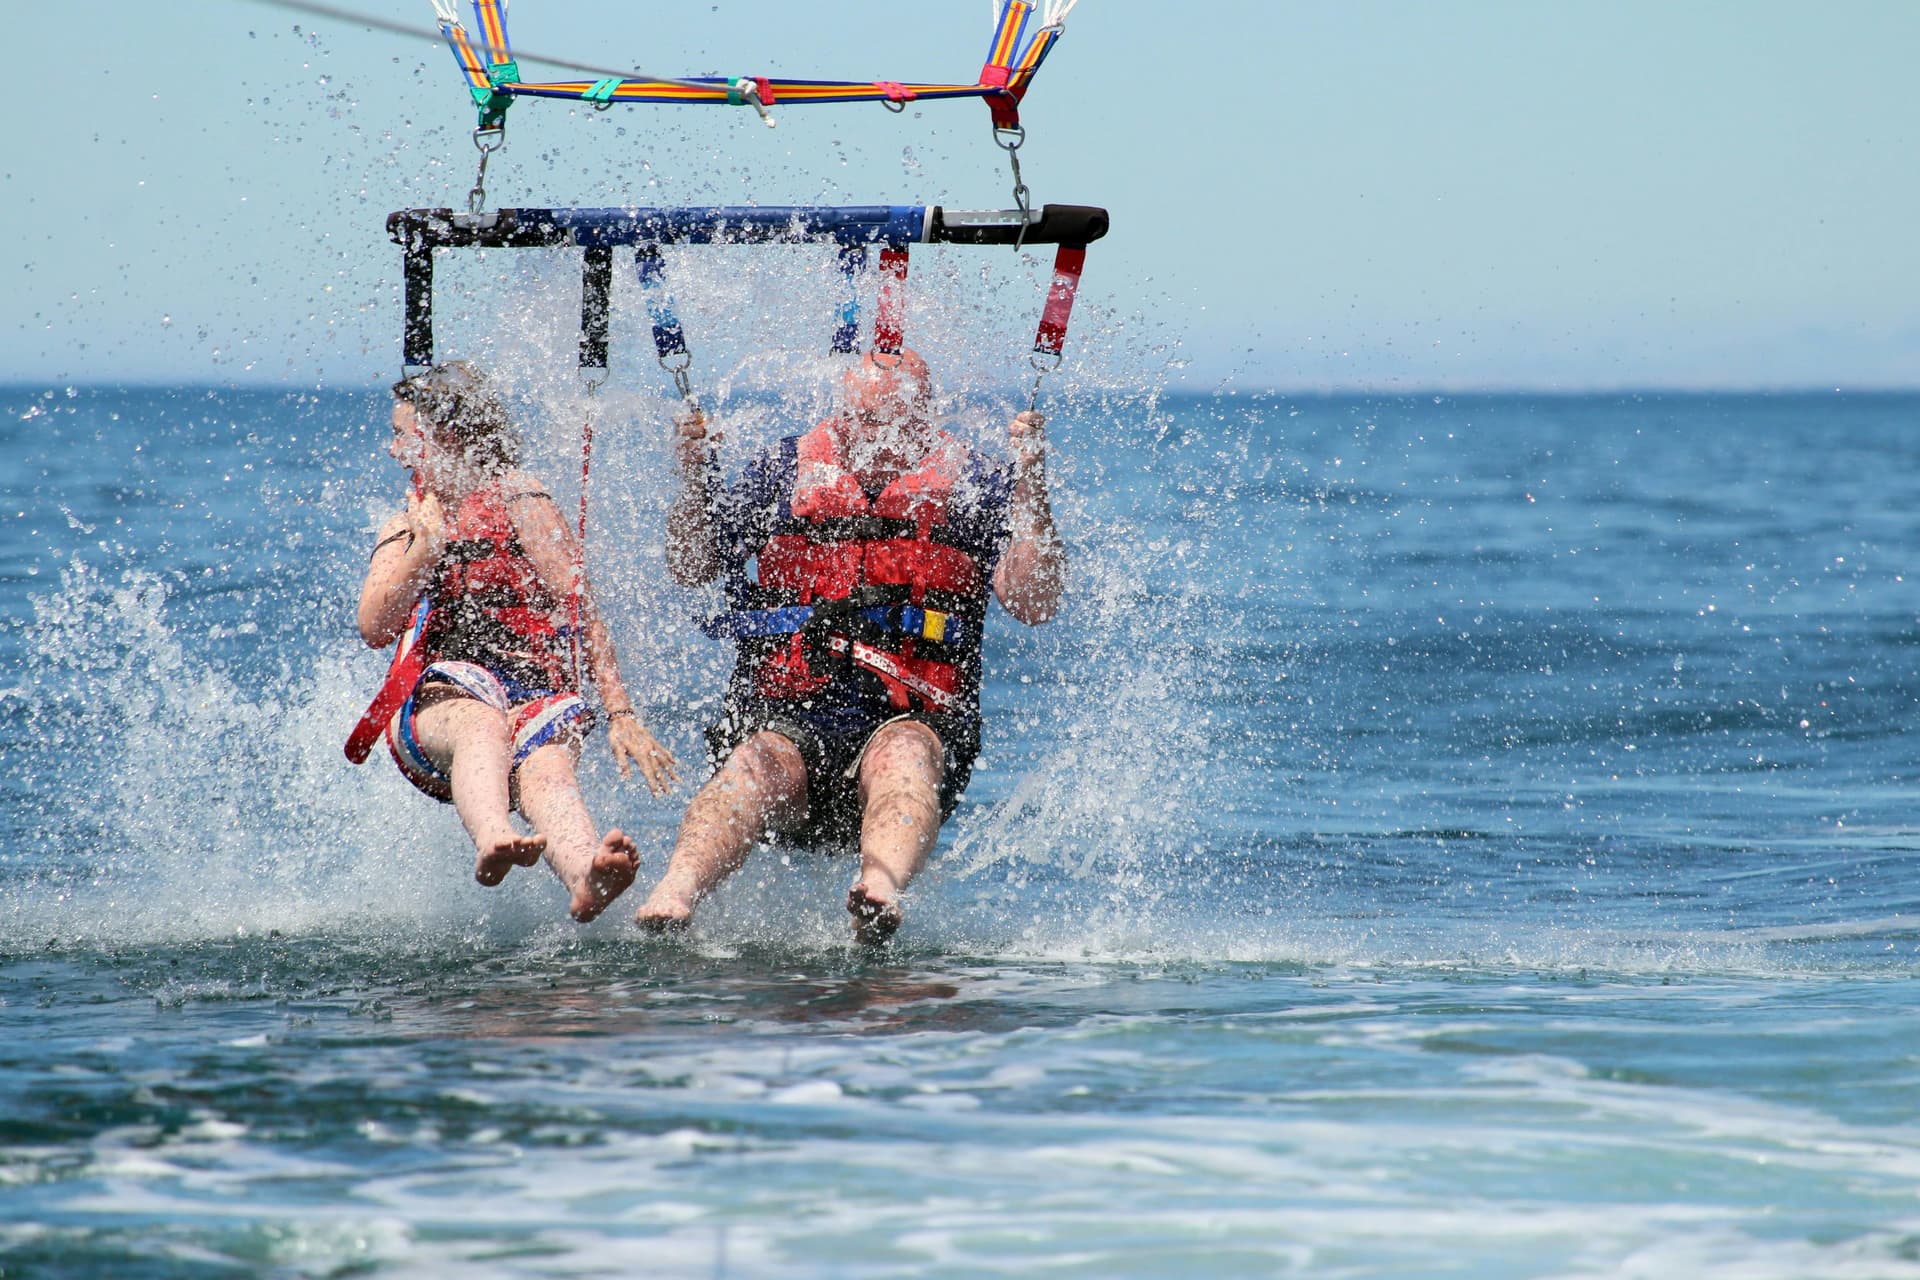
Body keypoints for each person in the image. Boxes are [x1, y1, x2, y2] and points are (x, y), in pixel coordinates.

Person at [634, 348, 1064, 943]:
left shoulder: (973, 483)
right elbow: (691, 564)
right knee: (753, 766)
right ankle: (675, 893)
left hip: (916, 715)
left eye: (892, 422)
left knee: (904, 755)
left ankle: (879, 892)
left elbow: (1035, 603)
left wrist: (1031, 486)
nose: (873, 437)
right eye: (859, 421)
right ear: (838, 414)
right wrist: (693, 478)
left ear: (924, 419)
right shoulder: (783, 472)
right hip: (787, 714)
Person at [354, 360, 679, 921]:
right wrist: (425, 549)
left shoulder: (521, 501)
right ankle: (494, 836)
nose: (392, 450)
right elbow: (374, 628)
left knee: (547, 762)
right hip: (438, 706)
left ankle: (586, 873)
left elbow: (584, 610)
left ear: (443, 438)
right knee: (482, 723)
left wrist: (621, 712)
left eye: (401, 435)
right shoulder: (407, 523)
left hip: (531, 692)